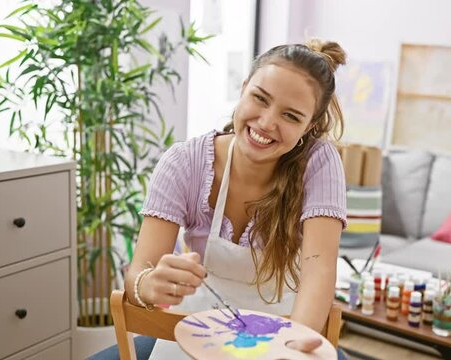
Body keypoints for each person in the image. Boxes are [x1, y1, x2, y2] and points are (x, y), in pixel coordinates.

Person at [91, 38, 349, 359]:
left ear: (309, 127)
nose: (267, 123)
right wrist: (149, 284)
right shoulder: (185, 162)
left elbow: (319, 272)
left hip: (289, 333)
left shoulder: (319, 163)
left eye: (291, 116)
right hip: (195, 328)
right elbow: (138, 276)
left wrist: (291, 349)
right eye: (260, 98)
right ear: (243, 90)